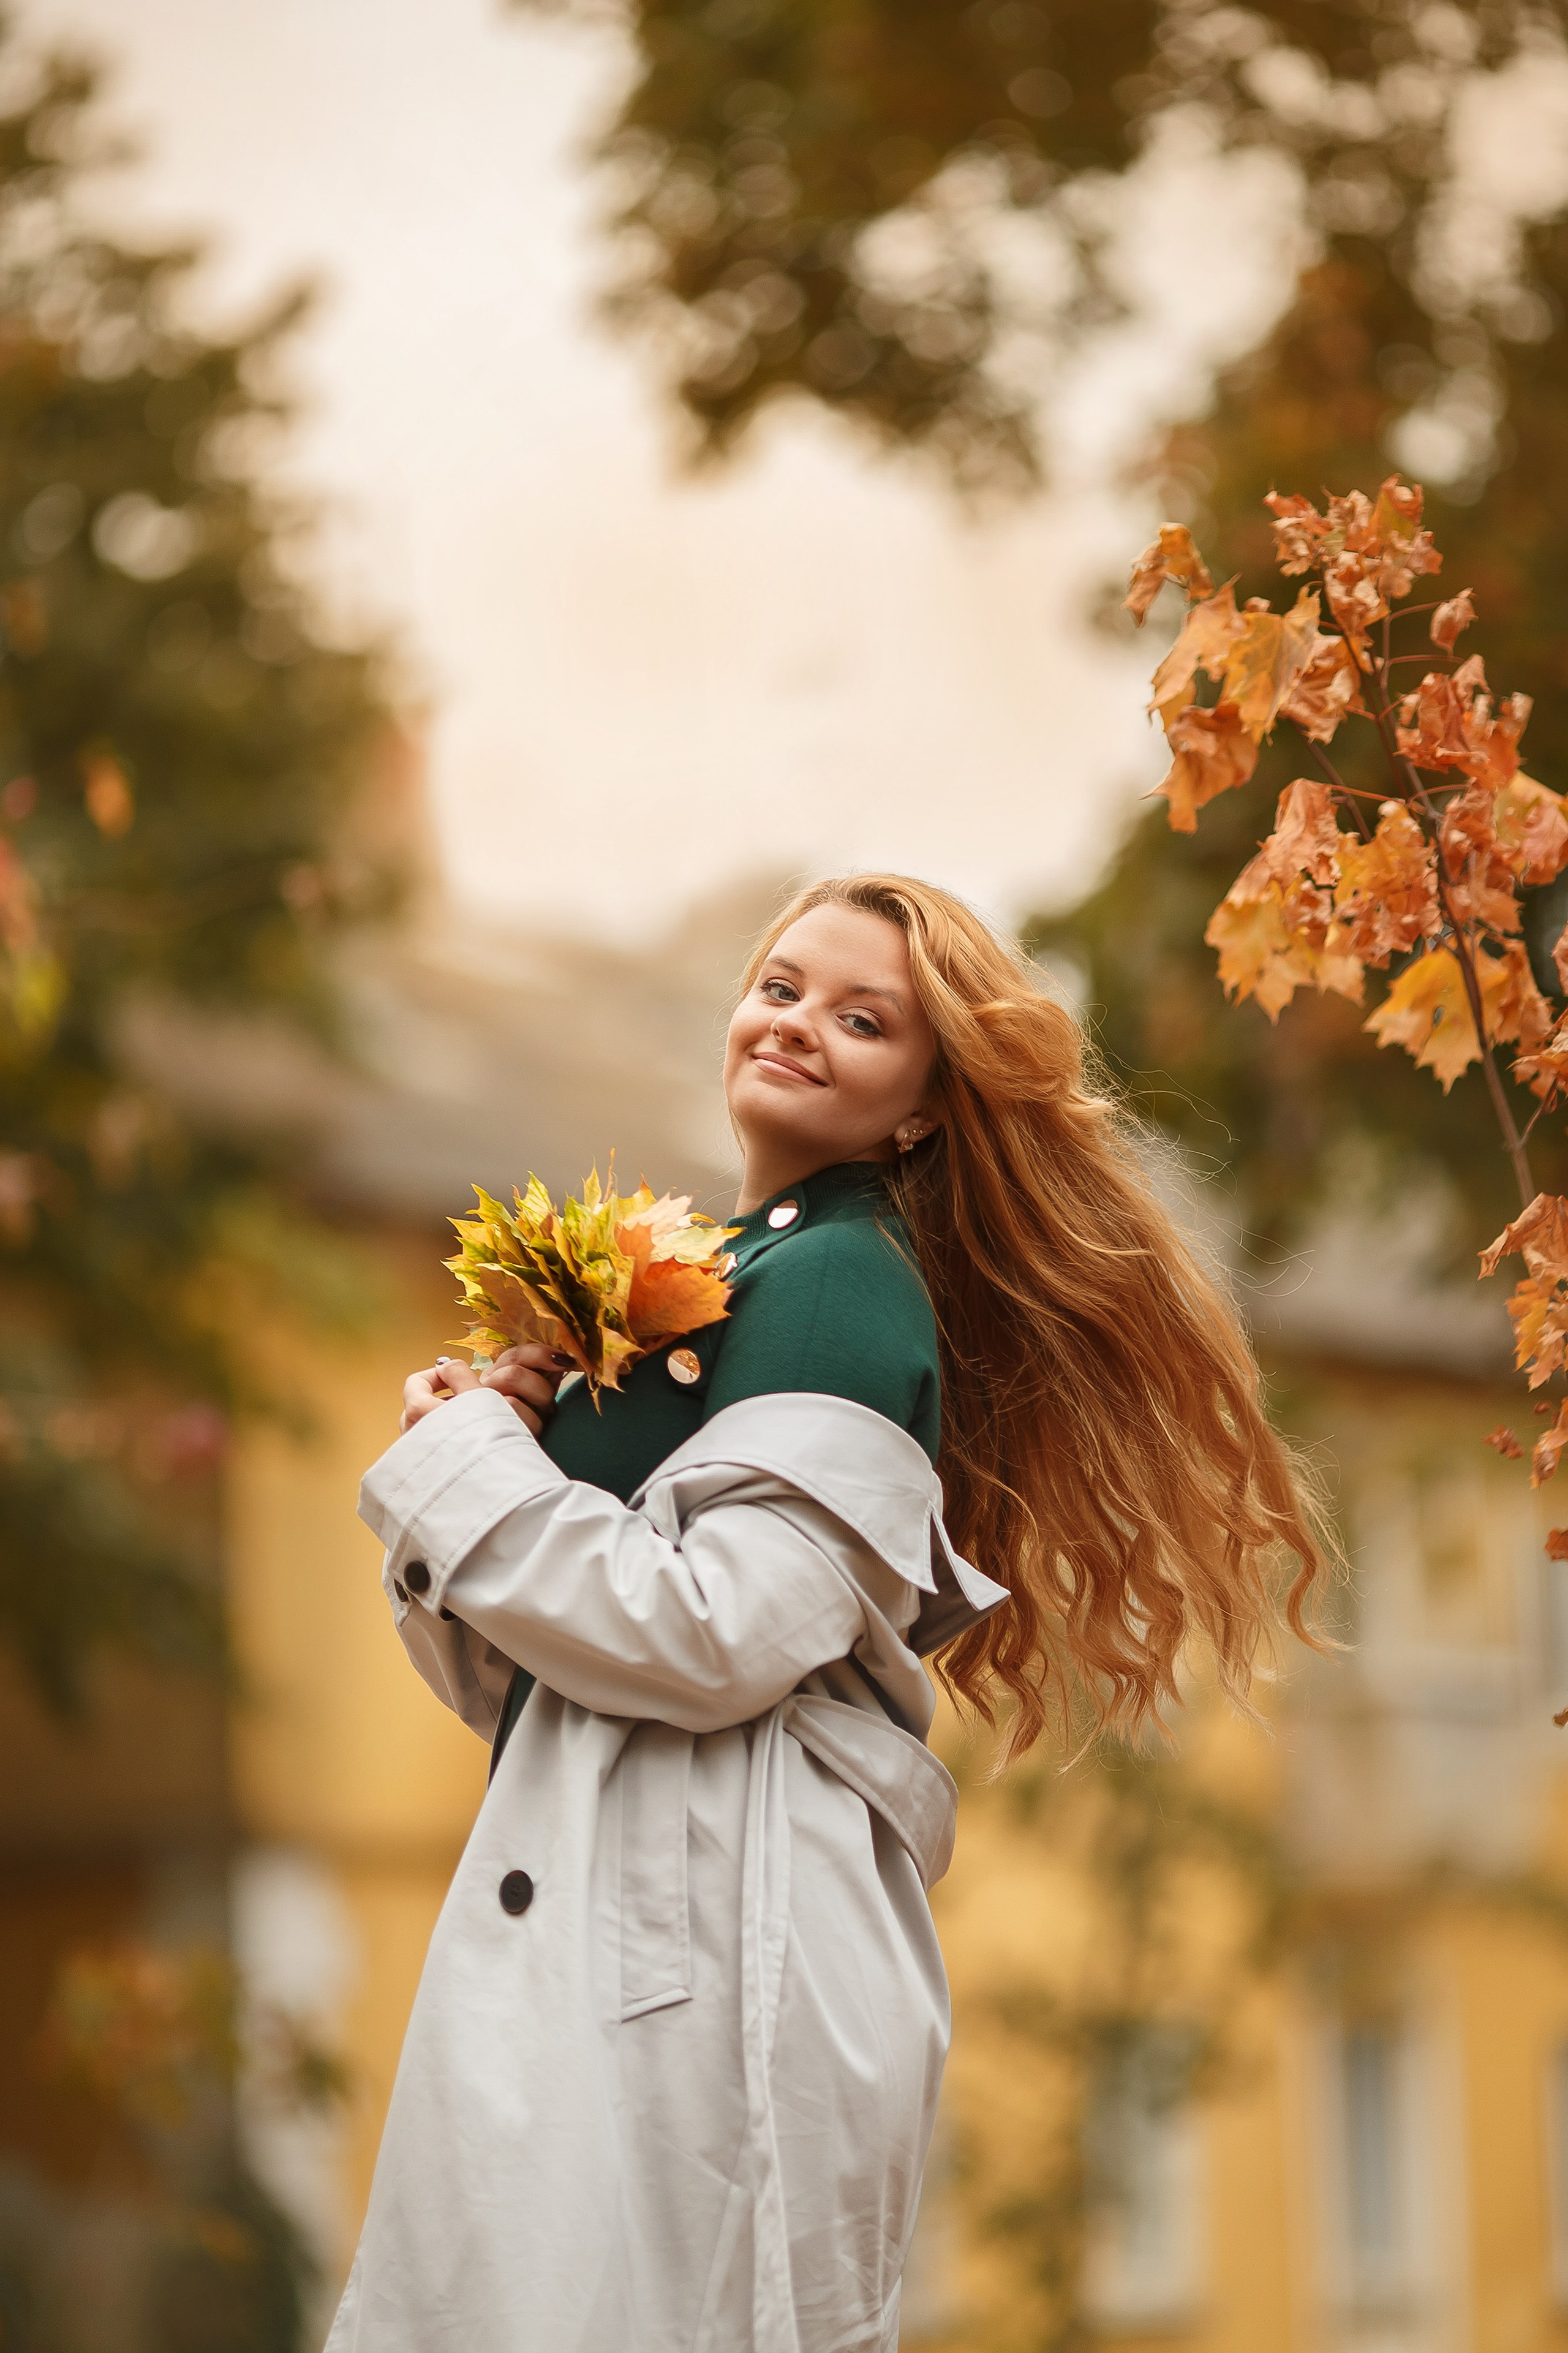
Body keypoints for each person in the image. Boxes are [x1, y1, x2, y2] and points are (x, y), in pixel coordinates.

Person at [325, 874, 1325, 2353]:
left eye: (862, 1019)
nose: (798, 1025)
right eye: (781, 986)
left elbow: (714, 1640)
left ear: (923, 1104)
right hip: (621, 1918)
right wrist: (472, 1450)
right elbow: (539, 1689)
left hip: (707, 1951)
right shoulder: (731, 1284)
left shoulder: (837, 1286)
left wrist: (468, 1474)